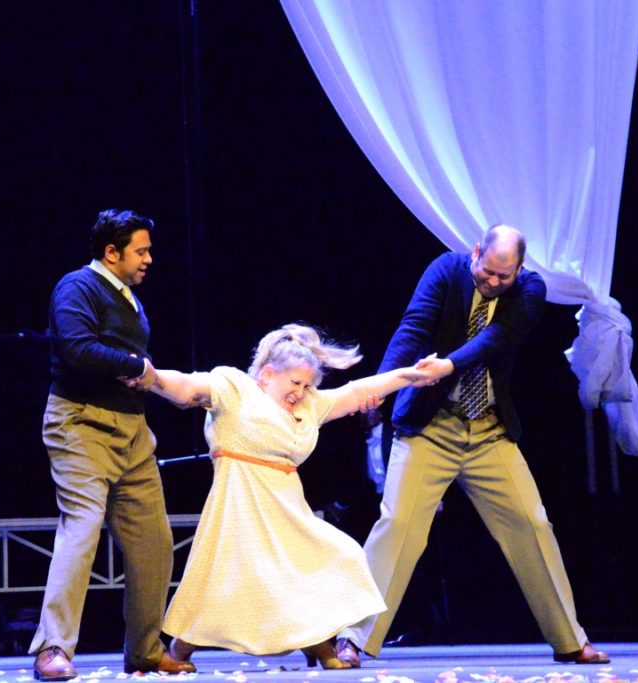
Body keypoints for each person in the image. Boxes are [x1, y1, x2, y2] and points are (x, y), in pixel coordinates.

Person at [335, 225, 610, 667]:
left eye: (505, 275)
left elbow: (496, 337)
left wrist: (448, 364)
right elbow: (413, 328)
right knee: (398, 524)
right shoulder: (446, 270)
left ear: (519, 268)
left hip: (488, 430)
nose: (494, 281)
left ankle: (570, 639)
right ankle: (353, 637)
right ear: (476, 252)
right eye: (488, 271)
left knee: (532, 524)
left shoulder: (530, 290)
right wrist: (378, 387)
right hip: (431, 426)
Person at [127, 323, 431, 668]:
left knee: (339, 557)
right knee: (226, 581)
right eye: (295, 382)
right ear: (268, 374)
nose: (301, 392)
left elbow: (357, 390)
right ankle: (182, 647)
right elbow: (186, 386)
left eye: (307, 385)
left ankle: (316, 641)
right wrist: (152, 377)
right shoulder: (235, 389)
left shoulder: (309, 406)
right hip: (240, 503)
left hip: (287, 509)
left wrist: (409, 376)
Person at [30, 209, 195, 681]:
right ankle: (52, 648)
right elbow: (77, 348)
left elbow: (129, 360)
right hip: (81, 424)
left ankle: (145, 651)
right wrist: (136, 365)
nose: (148, 259)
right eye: (140, 251)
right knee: (82, 528)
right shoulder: (78, 287)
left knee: (154, 542)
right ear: (111, 252)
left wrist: (151, 378)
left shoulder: (127, 297)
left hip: (133, 431)